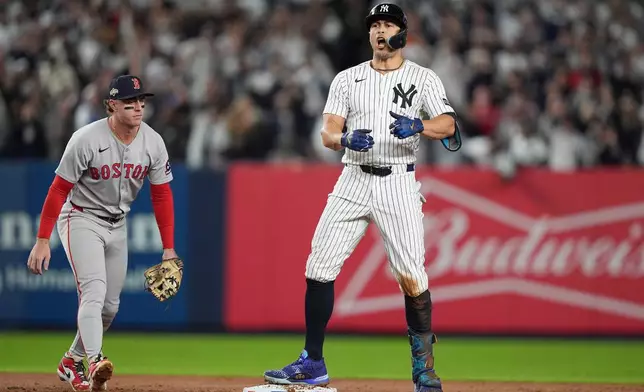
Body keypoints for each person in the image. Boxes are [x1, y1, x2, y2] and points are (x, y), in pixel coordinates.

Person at [262, 3, 461, 392]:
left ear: (402, 33)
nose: (380, 31)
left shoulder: (422, 78)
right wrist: (344, 138)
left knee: (412, 277)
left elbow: (450, 125)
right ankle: (312, 362)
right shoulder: (347, 79)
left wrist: (420, 125)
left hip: (398, 184)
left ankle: (424, 370)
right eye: (375, 25)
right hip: (353, 177)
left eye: (388, 24)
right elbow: (327, 133)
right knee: (319, 265)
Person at [26, 74, 178, 391]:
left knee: (110, 306)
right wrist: (42, 239)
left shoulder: (153, 142)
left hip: (118, 224)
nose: (138, 107)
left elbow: (162, 195)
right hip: (81, 218)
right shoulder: (85, 139)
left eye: (141, 101)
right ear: (111, 105)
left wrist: (168, 248)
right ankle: (95, 361)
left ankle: (72, 360)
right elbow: (58, 190)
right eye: (129, 102)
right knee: (93, 293)